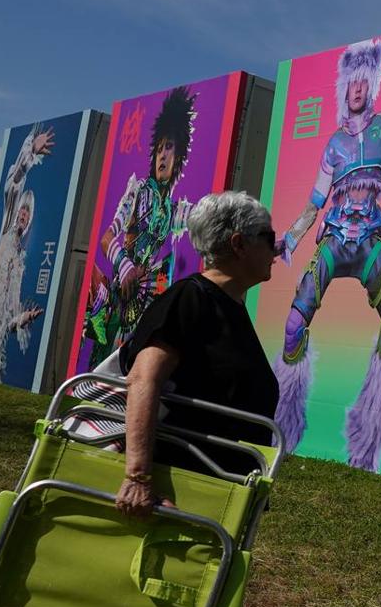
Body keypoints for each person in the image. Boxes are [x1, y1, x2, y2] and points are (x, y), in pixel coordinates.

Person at [271, 38, 381, 471]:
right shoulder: (332, 145)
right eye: (353, 82)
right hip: (333, 241)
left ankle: (366, 443)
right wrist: (288, 239)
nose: (359, 88)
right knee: (292, 327)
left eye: (365, 81)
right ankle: (284, 427)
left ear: (372, 85)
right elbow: (314, 202)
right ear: (344, 89)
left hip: (369, 244)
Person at [115, 191, 280, 518]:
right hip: (179, 494)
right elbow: (144, 378)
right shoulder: (191, 298)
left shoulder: (229, 305)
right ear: (239, 244)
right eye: (268, 237)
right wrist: (138, 477)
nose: (276, 250)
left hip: (215, 492)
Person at [84, 86, 196, 369]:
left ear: (179, 155)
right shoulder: (137, 191)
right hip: (120, 295)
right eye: (159, 148)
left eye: (169, 147)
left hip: (144, 302)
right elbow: (107, 238)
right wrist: (124, 267)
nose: (162, 155)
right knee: (104, 363)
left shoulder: (173, 209)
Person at [0, 124, 53, 381]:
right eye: (21, 211)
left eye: (27, 213)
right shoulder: (6, 229)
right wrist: (29, 156)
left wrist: (24, 318)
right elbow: (13, 184)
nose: (23, 216)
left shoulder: (19, 258)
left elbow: (9, 322)